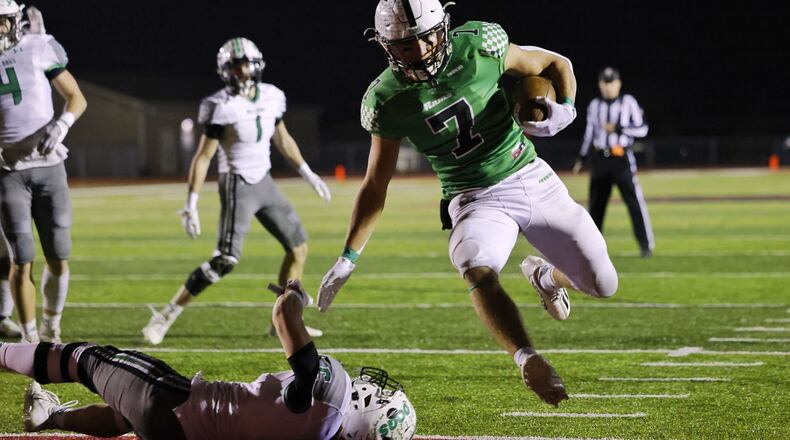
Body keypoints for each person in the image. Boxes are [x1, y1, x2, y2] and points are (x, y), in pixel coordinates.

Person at [317, 0, 619, 407]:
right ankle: (526, 358)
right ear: (386, 46)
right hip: (474, 198)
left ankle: (546, 278)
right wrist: (349, 256)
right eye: (406, 45)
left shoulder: (480, 43)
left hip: (529, 174)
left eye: (426, 38)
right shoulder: (385, 99)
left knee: (604, 284)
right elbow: (376, 184)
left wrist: (564, 109)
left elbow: (555, 63)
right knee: (474, 263)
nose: (420, 51)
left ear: (443, 27)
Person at [0, 279, 417, 440]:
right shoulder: (322, 434)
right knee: (119, 419)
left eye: (378, 397)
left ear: (367, 416)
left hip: (172, 401)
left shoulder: (329, 392)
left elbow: (284, 317)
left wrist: (295, 296)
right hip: (179, 434)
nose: (371, 388)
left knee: (82, 358)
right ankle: (50, 418)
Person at [142, 37, 330, 345]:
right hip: (238, 184)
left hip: (265, 182)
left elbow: (282, 139)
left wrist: (308, 173)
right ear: (225, 71)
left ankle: (286, 322)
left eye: (245, 67)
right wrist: (191, 202)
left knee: (298, 248)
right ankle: (166, 315)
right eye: (235, 68)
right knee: (225, 260)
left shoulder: (272, 96)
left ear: (257, 66)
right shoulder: (220, 106)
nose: (241, 73)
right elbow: (203, 156)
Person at [0, 2, 87, 343]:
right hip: (8, 172)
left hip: (49, 168)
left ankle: (51, 326)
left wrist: (63, 124)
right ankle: (30, 338)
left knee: (58, 256)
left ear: (15, 22)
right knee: (21, 260)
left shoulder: (38, 47)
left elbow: (76, 96)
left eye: (1, 23)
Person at [573, 67, 654, 257]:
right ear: (600, 84)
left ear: (618, 84)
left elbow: (643, 129)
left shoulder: (628, 102)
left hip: (621, 159)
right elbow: (589, 134)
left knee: (634, 203)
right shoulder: (594, 105)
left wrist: (619, 129)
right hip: (600, 159)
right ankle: (591, 249)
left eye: (611, 82)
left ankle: (645, 245)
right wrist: (582, 157)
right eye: (604, 82)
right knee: (596, 207)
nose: (608, 87)